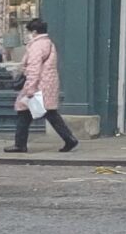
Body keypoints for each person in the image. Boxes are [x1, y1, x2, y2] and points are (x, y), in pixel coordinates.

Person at [5, 19, 77, 154]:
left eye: (28, 32)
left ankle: (20, 145)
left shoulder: (37, 46)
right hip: (47, 83)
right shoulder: (48, 43)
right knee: (47, 113)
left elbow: (34, 68)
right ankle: (69, 139)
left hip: (38, 85)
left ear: (34, 32)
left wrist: (30, 87)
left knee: (25, 112)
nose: (27, 35)